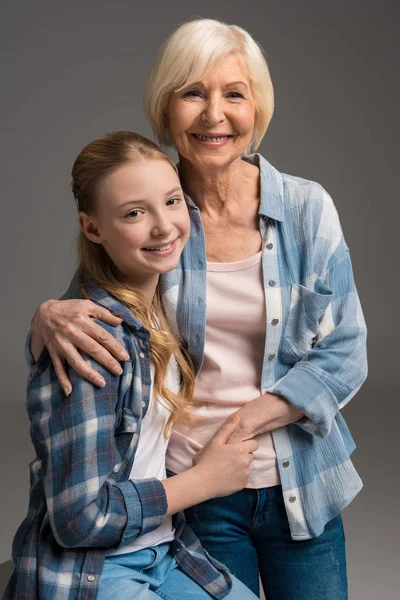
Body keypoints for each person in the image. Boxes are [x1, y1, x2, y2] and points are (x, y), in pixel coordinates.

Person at [27, 19, 368, 600]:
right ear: (166, 109)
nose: (214, 115)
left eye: (234, 94)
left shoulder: (308, 209)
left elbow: (348, 351)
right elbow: (98, 306)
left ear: (256, 107)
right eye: (193, 93)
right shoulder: (158, 213)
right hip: (196, 490)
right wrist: (45, 314)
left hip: (301, 482)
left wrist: (252, 418)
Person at [4, 131, 260, 600]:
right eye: (135, 213)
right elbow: (80, 520)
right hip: (95, 568)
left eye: (172, 201)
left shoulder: (166, 298)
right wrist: (202, 481)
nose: (164, 227)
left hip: (167, 549)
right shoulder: (92, 341)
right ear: (93, 228)